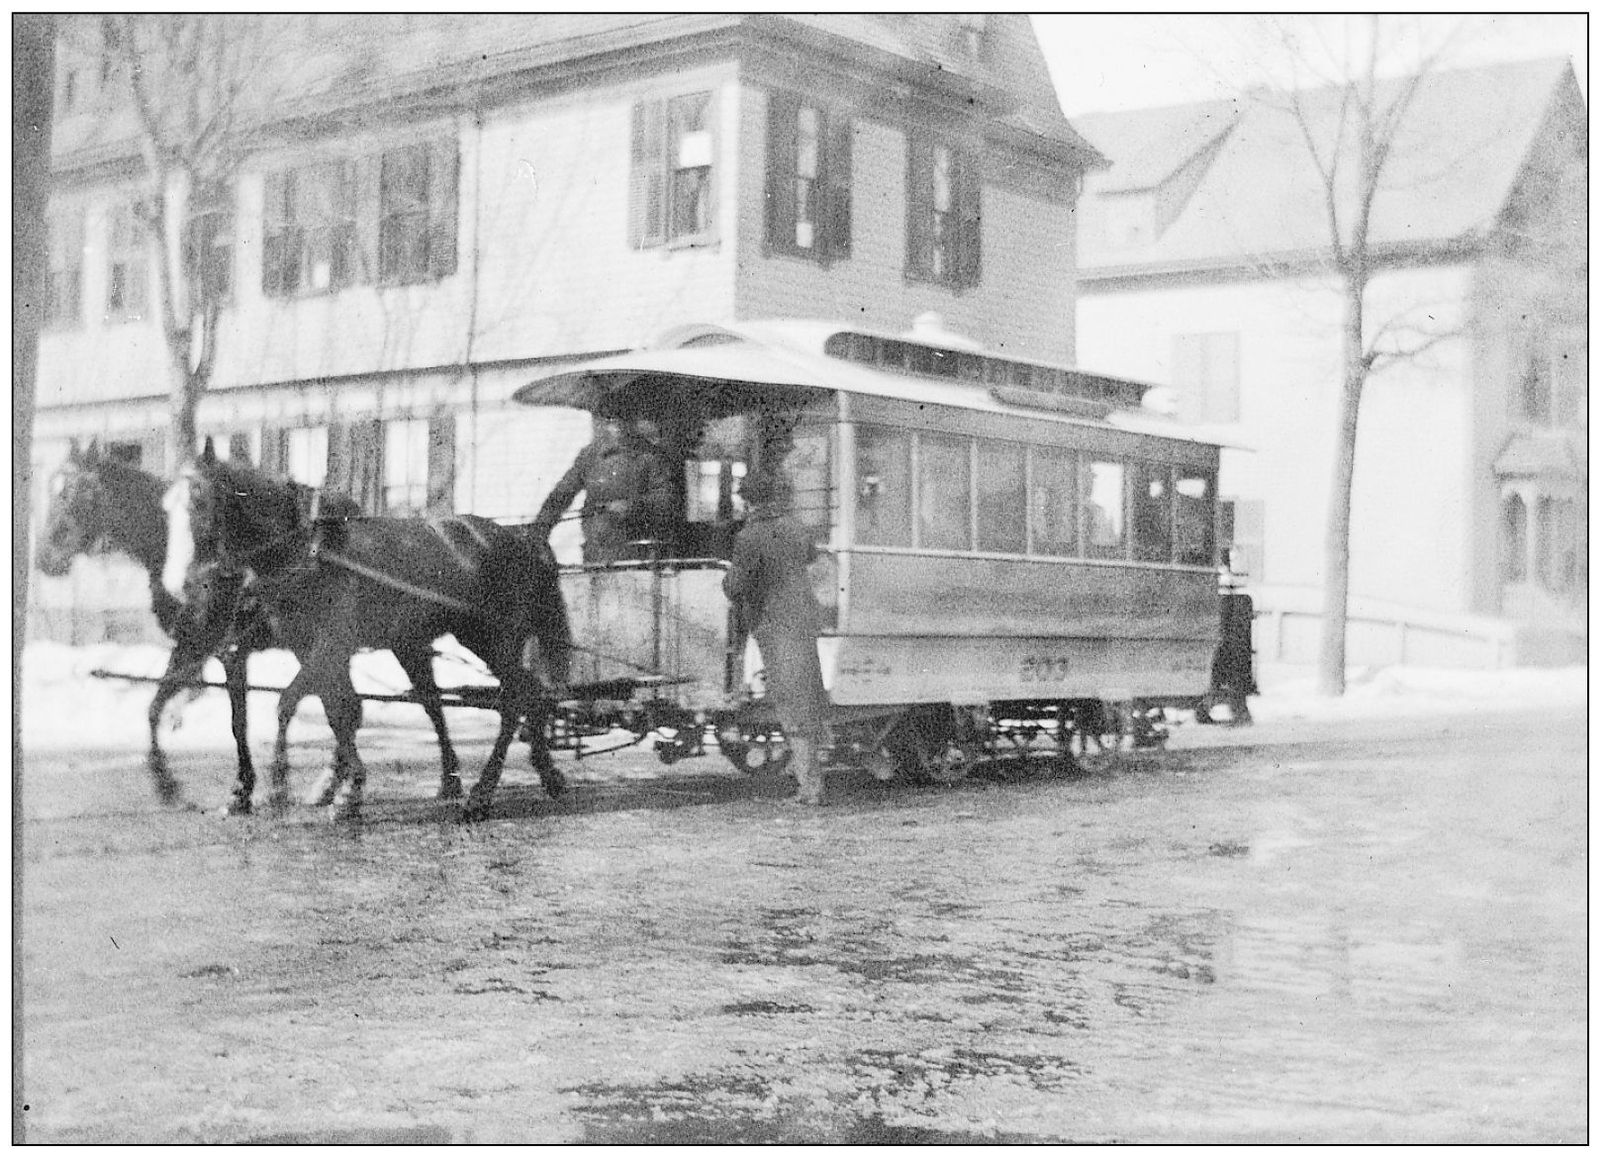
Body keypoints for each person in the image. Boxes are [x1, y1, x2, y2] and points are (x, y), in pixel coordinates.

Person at [723, 472, 832, 805]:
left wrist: (727, 582)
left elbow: (736, 586)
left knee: (790, 703)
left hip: (774, 626)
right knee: (805, 698)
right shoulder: (796, 527)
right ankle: (811, 781)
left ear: (749, 500)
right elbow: (815, 562)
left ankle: (810, 789)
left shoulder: (750, 536)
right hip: (803, 621)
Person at [532, 411, 700, 564]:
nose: (616, 427)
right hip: (597, 552)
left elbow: (666, 500)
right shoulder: (590, 456)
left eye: (622, 419)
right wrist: (540, 529)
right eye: (609, 420)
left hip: (638, 554)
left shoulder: (651, 457)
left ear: (633, 422)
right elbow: (562, 494)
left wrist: (633, 507)